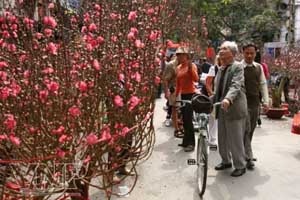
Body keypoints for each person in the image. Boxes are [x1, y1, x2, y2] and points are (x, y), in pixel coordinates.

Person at [212, 41, 248, 177]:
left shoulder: (238, 67)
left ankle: (240, 165)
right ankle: (226, 161)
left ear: (232, 53)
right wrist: (209, 99)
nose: (220, 50)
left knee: (235, 139)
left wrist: (228, 99)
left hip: (234, 108)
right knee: (222, 137)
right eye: (220, 48)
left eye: (224, 48)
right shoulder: (221, 68)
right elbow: (218, 90)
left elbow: (236, 85)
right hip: (222, 108)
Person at [242, 42, 269, 170]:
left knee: (251, 129)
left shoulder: (259, 67)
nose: (249, 55)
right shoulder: (238, 67)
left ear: (255, 53)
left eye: (251, 53)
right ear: (243, 53)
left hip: (254, 103)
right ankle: (248, 156)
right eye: (247, 53)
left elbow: (263, 84)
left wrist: (266, 101)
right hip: (241, 103)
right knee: (246, 129)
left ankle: (244, 152)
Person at [176, 46, 199, 152]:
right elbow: (178, 83)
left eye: (181, 55)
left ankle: (191, 143)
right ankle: (186, 141)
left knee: (188, 120)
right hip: (183, 95)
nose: (179, 57)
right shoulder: (179, 67)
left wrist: (190, 69)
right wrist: (177, 96)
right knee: (184, 120)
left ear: (186, 56)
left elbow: (196, 79)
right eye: (178, 55)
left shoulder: (192, 65)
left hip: (191, 94)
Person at [162, 51, 183, 137]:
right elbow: (166, 79)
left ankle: (181, 127)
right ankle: (177, 129)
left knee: (184, 109)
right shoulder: (171, 65)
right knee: (175, 109)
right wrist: (166, 92)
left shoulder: (187, 64)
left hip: (185, 89)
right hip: (174, 89)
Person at [205, 55, 221, 148]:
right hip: (215, 96)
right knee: (213, 118)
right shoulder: (213, 68)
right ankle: (212, 139)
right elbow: (208, 83)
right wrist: (212, 94)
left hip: (224, 96)